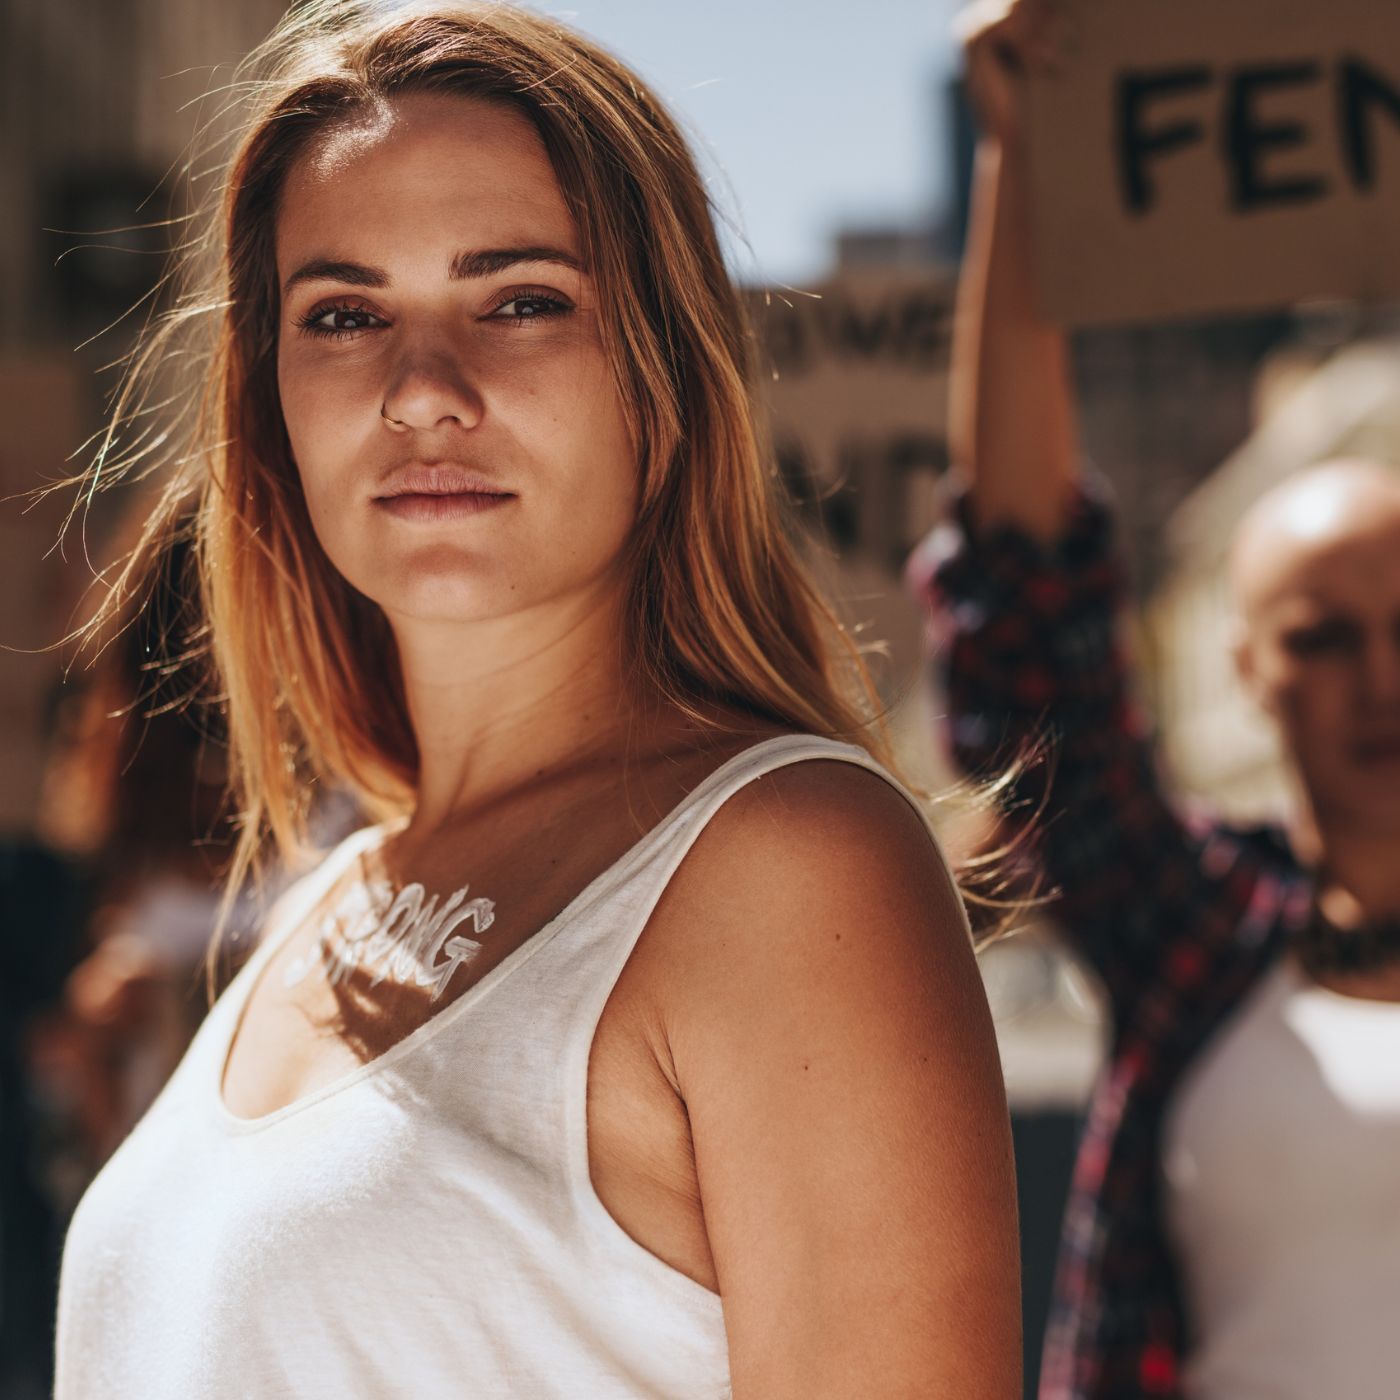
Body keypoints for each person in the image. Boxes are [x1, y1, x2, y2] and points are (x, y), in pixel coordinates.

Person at [51, 4, 1022, 1397]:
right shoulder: (316, 902)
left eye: (519, 300)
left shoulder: (786, 867)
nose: (424, 391)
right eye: (344, 313)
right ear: (270, 399)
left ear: (662, 371)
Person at [911, 3, 1400, 1398]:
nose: (1380, 680)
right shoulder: (1191, 933)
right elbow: (1024, 593)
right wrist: (1027, 166)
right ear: (1244, 668)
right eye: (1321, 637)